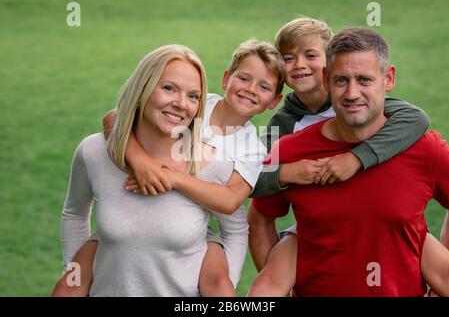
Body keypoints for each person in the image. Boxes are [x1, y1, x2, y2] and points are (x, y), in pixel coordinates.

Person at [52, 40, 286, 296]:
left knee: (219, 284)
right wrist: (139, 160)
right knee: (69, 286)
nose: (250, 89)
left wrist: (172, 177)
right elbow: (115, 117)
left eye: (263, 87)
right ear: (226, 79)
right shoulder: (199, 100)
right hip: (131, 221)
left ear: (274, 101)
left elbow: (230, 202)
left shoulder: (248, 148)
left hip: (200, 227)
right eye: (244, 78)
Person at [248, 27, 449, 296]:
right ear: (327, 78)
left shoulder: (424, 149)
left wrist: (441, 276)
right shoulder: (288, 148)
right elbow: (260, 218)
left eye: (364, 80)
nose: (352, 93)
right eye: (341, 81)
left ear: (388, 79)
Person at [53, 44, 213, 296]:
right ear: (143, 88)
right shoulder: (93, 151)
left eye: (193, 96)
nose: (182, 104)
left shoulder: (211, 162)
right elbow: (74, 213)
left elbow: (234, 230)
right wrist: (75, 276)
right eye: (169, 88)